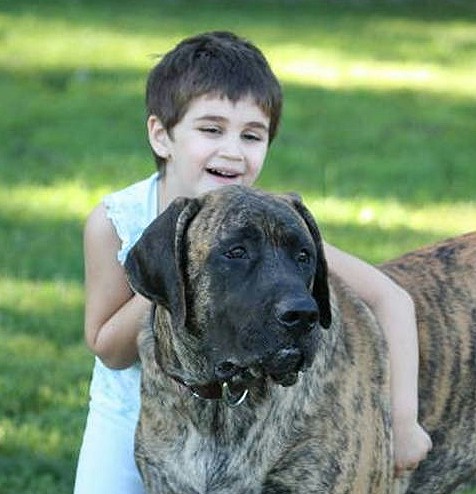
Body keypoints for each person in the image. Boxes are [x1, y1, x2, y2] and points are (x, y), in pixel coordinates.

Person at [74, 31, 432, 493]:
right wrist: (180, 263)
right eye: (211, 129)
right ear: (161, 135)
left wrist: (402, 423)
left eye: (252, 136)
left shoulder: (263, 223)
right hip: (130, 408)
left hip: (233, 398)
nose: (232, 151)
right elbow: (107, 347)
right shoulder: (114, 221)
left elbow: (390, 296)